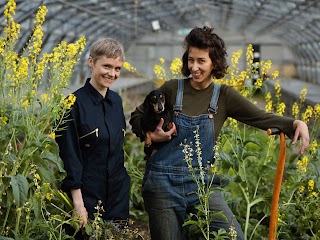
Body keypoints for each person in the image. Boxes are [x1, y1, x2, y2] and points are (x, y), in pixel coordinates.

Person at [129, 26, 309, 240]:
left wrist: (295, 123)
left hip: (202, 185)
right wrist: (151, 136)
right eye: (191, 60)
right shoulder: (171, 89)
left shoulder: (223, 95)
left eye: (201, 61)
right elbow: (136, 117)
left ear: (214, 62)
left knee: (234, 236)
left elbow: (259, 117)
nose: (194, 67)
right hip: (162, 184)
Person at [56, 37, 130, 239]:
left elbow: (117, 147)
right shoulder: (72, 104)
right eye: (106, 66)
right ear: (91, 62)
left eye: (117, 68)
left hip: (117, 197)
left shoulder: (116, 101)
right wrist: (78, 204)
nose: (112, 73)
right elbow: (70, 156)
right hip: (88, 198)